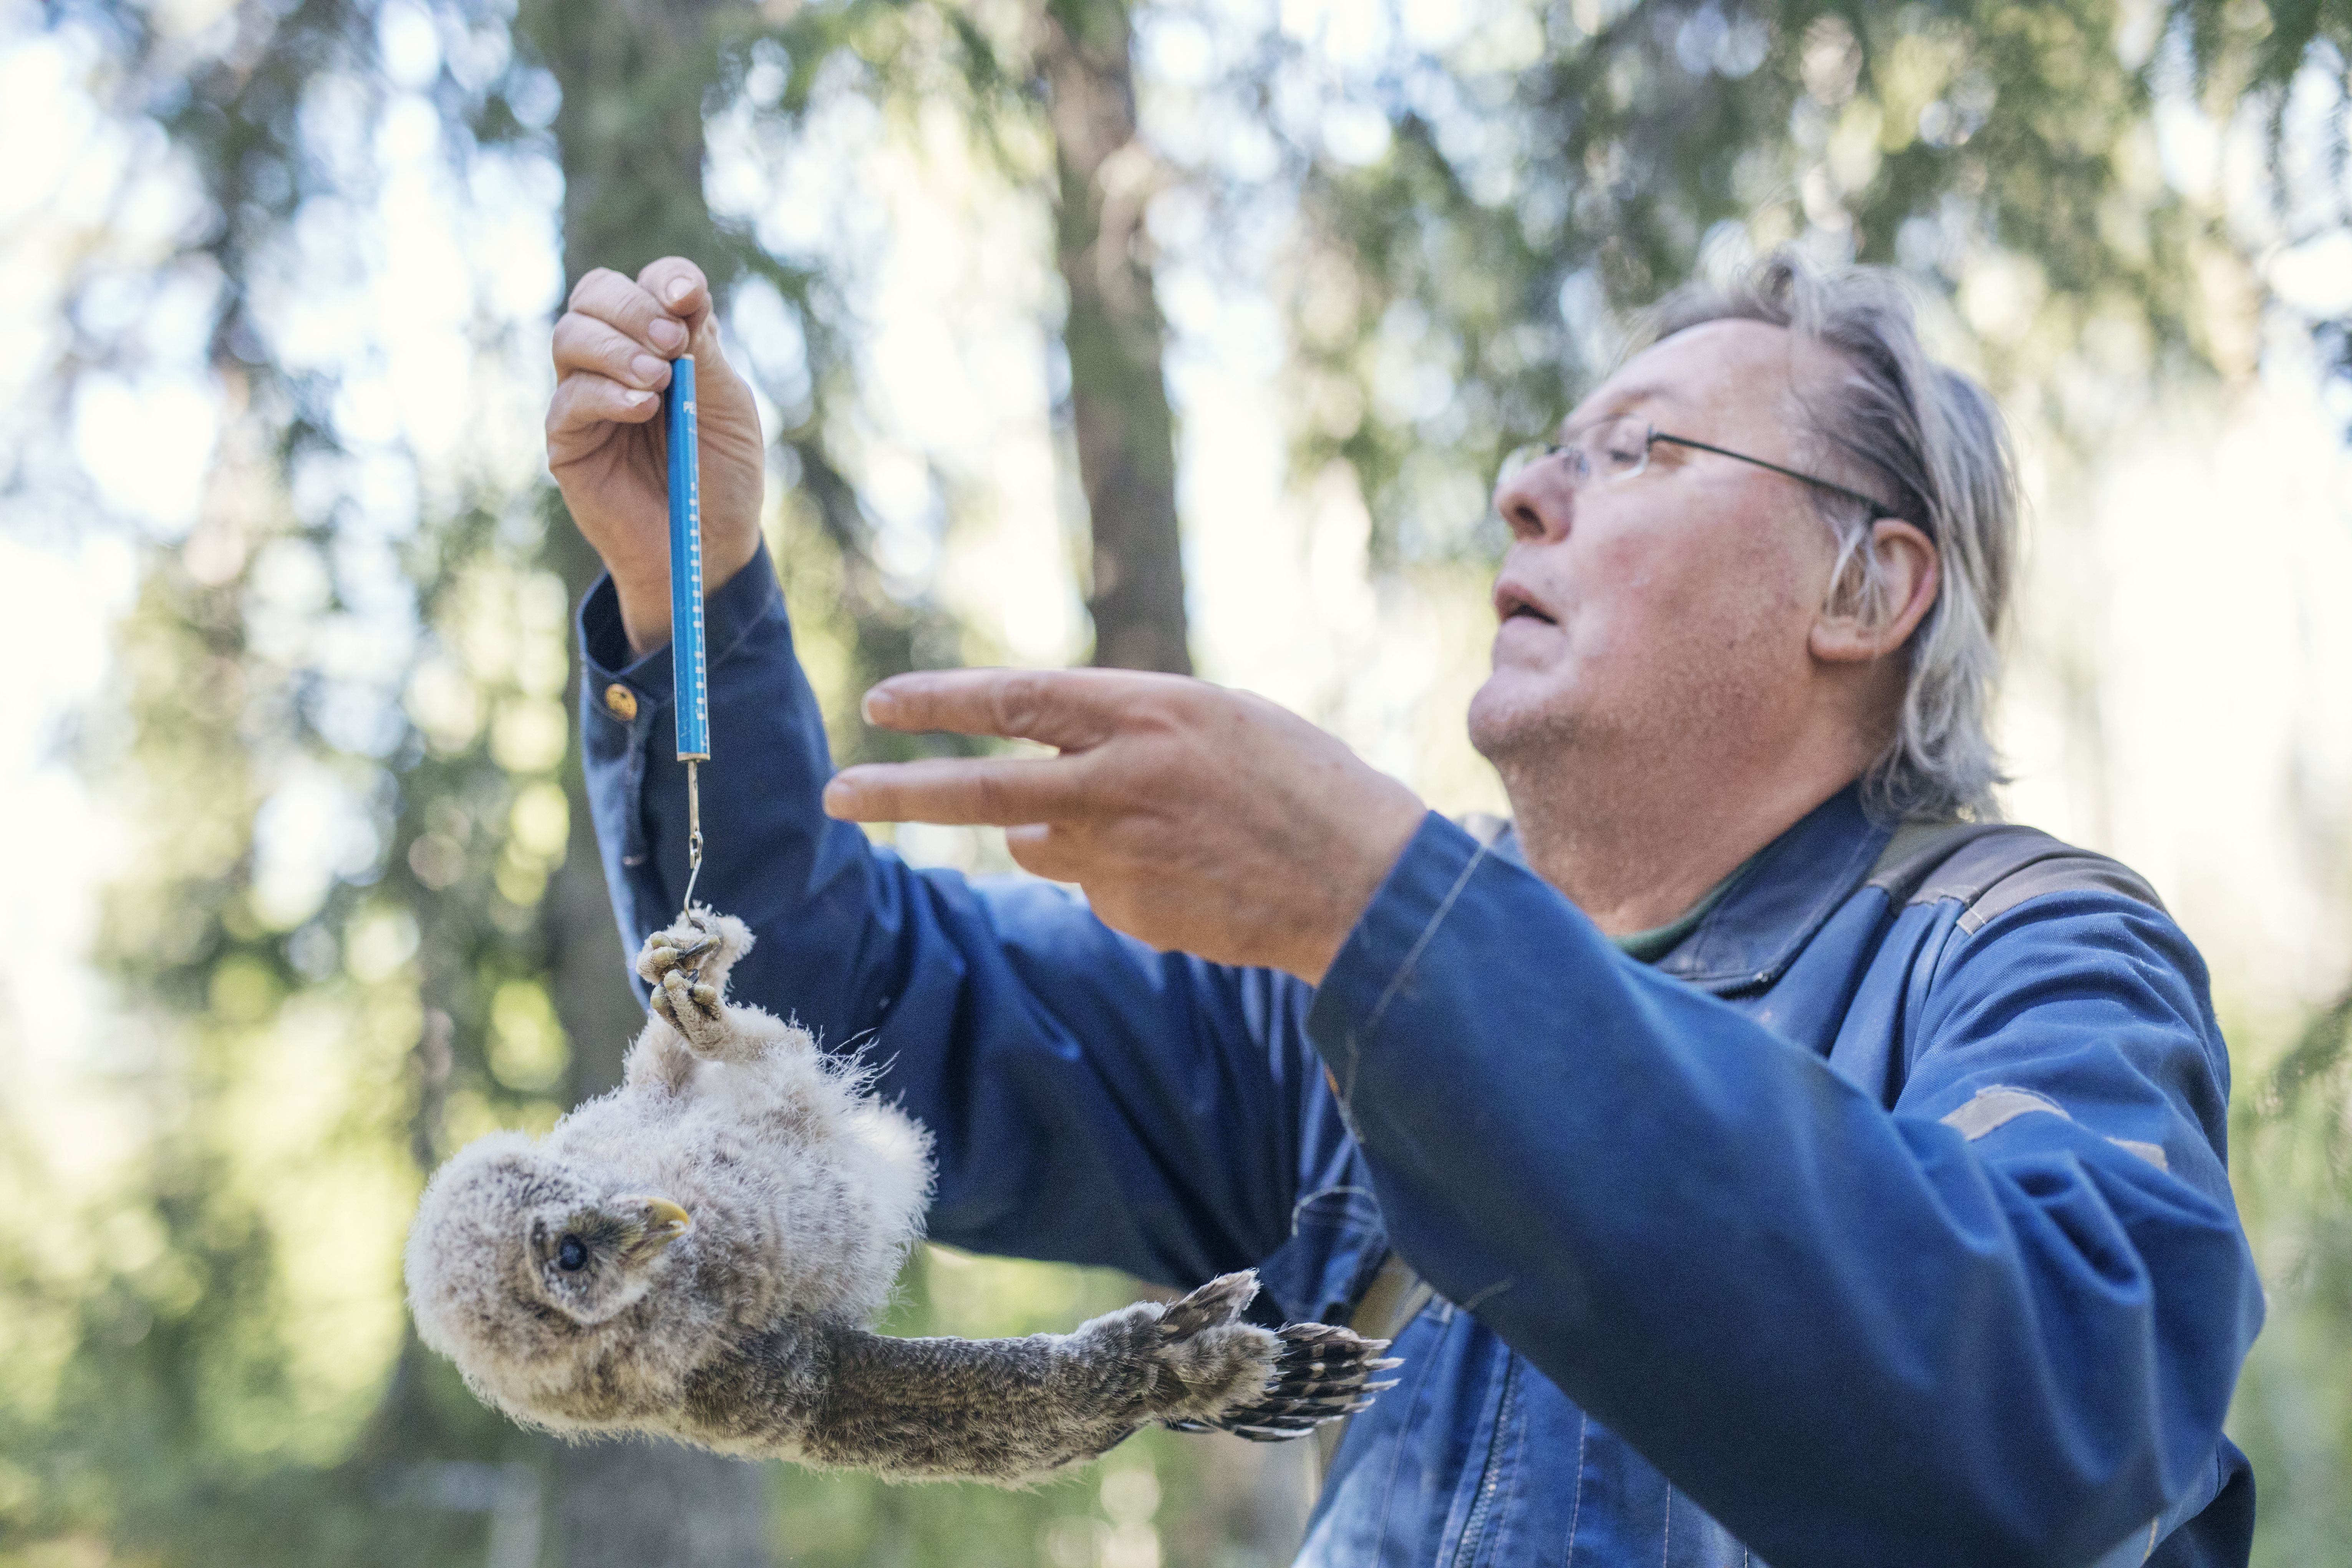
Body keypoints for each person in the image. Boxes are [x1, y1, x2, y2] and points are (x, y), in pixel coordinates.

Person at [545, 249, 2263, 1567]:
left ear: (1865, 583)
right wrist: (685, 592)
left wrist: (1390, 907)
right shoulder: (1331, 1010)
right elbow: (842, 1010)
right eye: (1547, 451)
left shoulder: (2026, 948)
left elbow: (2061, 1401)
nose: (1527, 493)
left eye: (1640, 450)